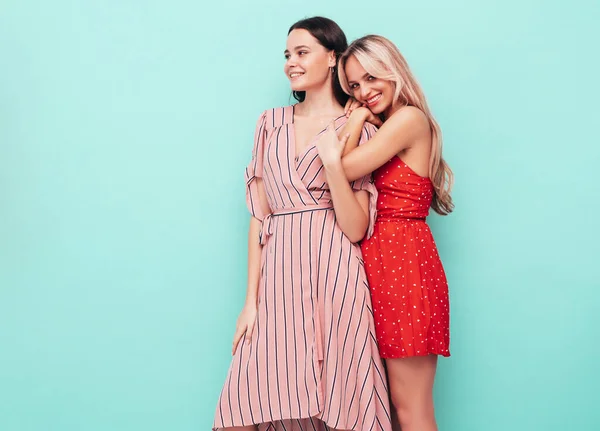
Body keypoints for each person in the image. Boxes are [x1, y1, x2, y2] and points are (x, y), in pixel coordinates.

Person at [213, 19, 391, 431]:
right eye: (287, 55)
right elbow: (259, 215)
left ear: (332, 57)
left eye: (302, 52)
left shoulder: (356, 128)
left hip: (336, 273)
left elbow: (356, 227)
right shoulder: (269, 122)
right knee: (253, 392)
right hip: (279, 274)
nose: (292, 62)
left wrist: (334, 157)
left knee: (342, 391)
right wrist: (250, 302)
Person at [315, 35, 454, 431]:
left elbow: (342, 167)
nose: (364, 92)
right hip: (379, 263)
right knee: (388, 408)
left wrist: (355, 118)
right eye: (354, 87)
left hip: (405, 264)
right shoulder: (389, 125)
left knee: (410, 408)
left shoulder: (409, 119)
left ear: (394, 72)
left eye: (371, 78)